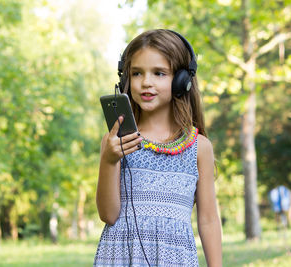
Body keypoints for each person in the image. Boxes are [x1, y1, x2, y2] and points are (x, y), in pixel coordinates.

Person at [94, 29, 222, 267]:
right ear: (125, 80)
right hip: (121, 258)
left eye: (159, 73)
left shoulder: (199, 147)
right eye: (137, 73)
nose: (146, 82)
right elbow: (109, 215)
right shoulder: (115, 142)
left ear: (182, 81)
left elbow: (208, 219)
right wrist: (110, 160)